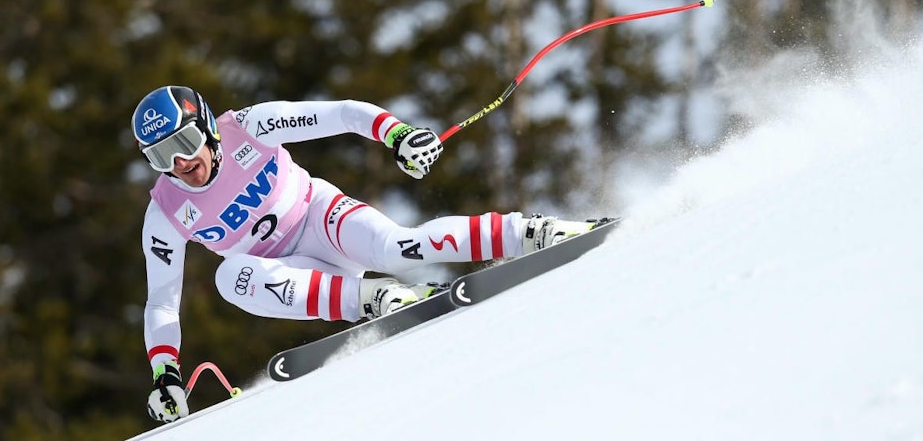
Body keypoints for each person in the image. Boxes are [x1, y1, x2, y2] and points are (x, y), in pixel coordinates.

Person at [134, 85, 608, 422]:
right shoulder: (165, 212)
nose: (181, 163)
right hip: (288, 273)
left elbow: (340, 114)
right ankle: (374, 298)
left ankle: (536, 231)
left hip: (320, 217)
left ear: (207, 128)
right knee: (229, 277)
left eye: (185, 142)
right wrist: (165, 373)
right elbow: (161, 302)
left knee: (399, 247)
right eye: (161, 156)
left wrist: (397, 135)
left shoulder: (249, 127)